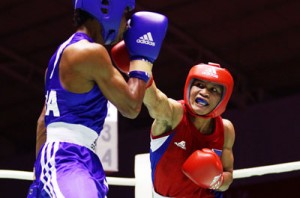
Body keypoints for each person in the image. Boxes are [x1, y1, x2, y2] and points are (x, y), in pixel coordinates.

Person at [26, 0, 168, 197]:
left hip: (76, 158)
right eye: (125, 14)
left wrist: (39, 174)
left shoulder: (60, 55)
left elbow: (44, 120)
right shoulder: (90, 52)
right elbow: (131, 106)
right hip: (66, 159)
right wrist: (142, 59)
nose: (126, 24)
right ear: (107, 10)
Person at [111, 47, 235, 197]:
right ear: (189, 86)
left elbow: (228, 177)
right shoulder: (174, 114)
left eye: (213, 90)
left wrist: (217, 181)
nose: (204, 93)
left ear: (223, 98)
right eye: (200, 85)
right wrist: (139, 69)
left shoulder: (225, 129)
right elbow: (155, 101)